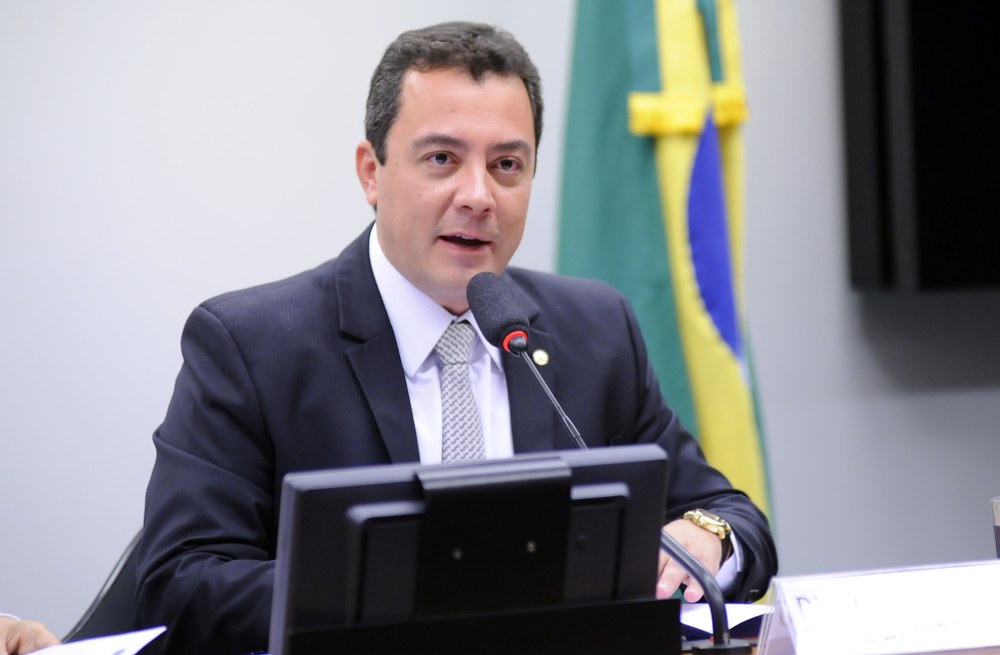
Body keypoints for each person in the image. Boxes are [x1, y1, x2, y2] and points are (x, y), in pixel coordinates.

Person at [136, 21, 778, 655]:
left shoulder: (596, 329)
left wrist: (709, 539)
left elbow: (731, 515)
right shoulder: (252, 346)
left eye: (507, 165)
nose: (478, 196)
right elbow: (180, 586)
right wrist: (420, 593)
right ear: (371, 172)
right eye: (442, 159)